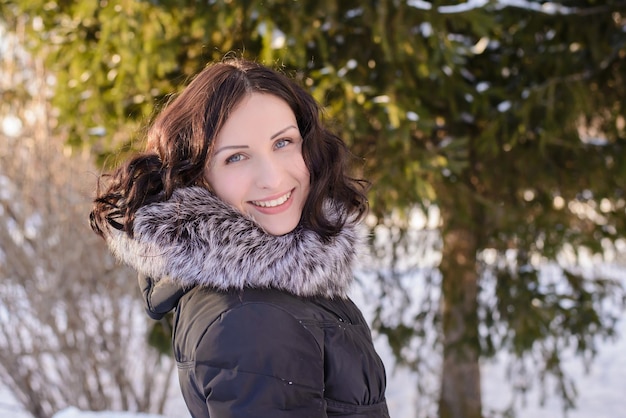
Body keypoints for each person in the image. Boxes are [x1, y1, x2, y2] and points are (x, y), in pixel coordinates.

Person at [89, 58, 390, 418]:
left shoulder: (278, 289)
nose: (273, 179)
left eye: (283, 143)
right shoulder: (254, 319)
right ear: (197, 175)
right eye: (236, 158)